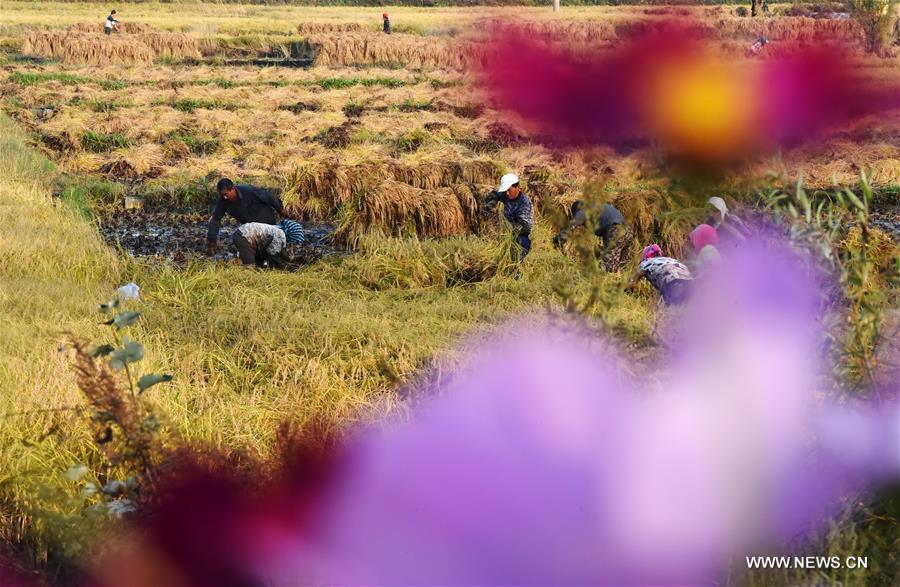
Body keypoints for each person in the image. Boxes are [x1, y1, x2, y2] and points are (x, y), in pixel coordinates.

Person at [206, 178, 295, 256]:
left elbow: (270, 198)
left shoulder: (250, 191)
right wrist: (212, 242)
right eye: (222, 195)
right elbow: (215, 220)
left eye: (226, 194)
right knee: (256, 252)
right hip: (252, 230)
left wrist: (282, 212)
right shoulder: (223, 202)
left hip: (268, 223)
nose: (224, 197)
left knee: (274, 251)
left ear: (233, 189)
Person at [554, 200, 634, 272]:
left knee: (608, 267)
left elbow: (571, 226)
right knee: (622, 264)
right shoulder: (598, 206)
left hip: (616, 231)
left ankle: (605, 284)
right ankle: (623, 282)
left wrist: (558, 240)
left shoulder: (583, 210)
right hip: (628, 231)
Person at [484, 173, 534, 259]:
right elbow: (494, 193)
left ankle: (517, 266)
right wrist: (492, 202)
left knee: (523, 243)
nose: (506, 193)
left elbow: (525, 227)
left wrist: (506, 228)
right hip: (504, 229)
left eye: (509, 190)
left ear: (517, 187)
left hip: (518, 233)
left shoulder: (524, 203)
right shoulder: (506, 193)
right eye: (505, 190)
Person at [625, 244, 693, 305]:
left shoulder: (646, 263)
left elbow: (632, 282)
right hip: (690, 281)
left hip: (671, 282)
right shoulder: (671, 259)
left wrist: (624, 293)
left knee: (668, 308)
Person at [234, 219, 304, 268]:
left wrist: (287, 259)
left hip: (244, 235)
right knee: (250, 265)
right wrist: (284, 266)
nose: (293, 242)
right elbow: (272, 253)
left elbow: (277, 251)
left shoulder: (276, 230)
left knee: (259, 264)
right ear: (292, 234)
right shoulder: (279, 233)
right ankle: (247, 281)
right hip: (243, 236)